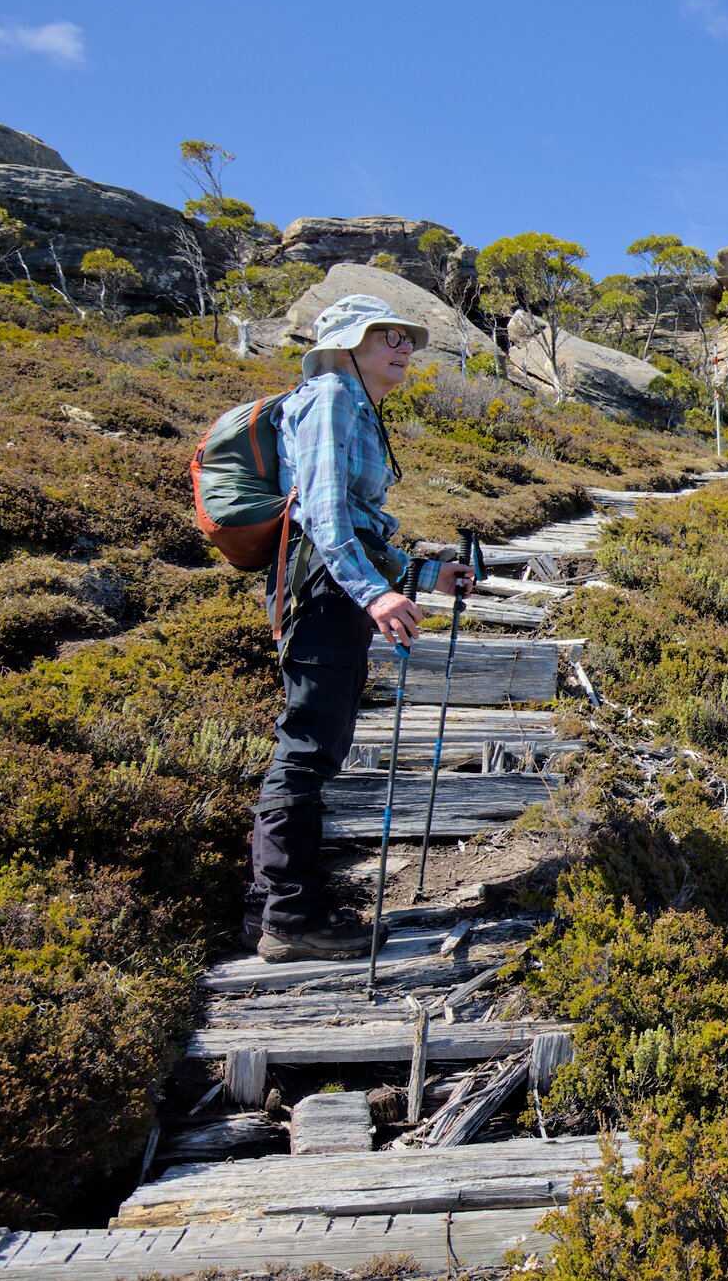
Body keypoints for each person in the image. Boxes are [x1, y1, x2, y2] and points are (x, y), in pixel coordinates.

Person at [246, 294, 474, 962]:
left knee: (316, 739)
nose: (402, 348)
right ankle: (290, 919)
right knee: (310, 744)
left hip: (333, 586)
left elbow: (359, 522)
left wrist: (423, 574)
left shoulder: (353, 404)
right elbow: (324, 515)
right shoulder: (332, 397)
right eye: (385, 337)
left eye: (406, 339)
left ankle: (271, 907)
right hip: (324, 589)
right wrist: (377, 594)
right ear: (347, 344)